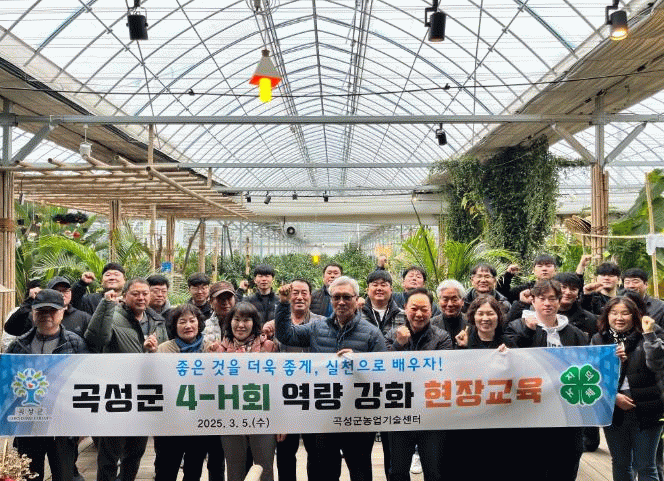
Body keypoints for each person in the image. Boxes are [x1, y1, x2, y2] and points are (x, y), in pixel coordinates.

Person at [275, 276, 386, 481]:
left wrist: (359, 361)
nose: (341, 302)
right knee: (324, 472)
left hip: (358, 418)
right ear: (331, 299)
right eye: (336, 297)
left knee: (360, 471)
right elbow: (286, 335)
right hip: (324, 415)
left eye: (346, 297)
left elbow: (384, 373)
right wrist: (283, 304)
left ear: (356, 299)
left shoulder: (372, 333)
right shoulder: (317, 328)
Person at [84, 278, 169, 481]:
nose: (141, 297)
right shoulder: (113, 316)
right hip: (117, 394)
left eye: (145, 293)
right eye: (135, 293)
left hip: (143, 395)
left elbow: (165, 355)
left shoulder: (156, 321)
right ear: (125, 296)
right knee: (109, 453)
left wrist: (153, 351)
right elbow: (96, 339)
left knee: (136, 451)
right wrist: (106, 305)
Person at [503, 279, 587, 480]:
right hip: (531, 410)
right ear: (533, 300)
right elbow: (508, 360)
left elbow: (587, 364)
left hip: (567, 411)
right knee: (532, 464)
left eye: (552, 298)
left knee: (568, 461)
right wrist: (527, 331)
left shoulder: (575, 333)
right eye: (542, 298)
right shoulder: (516, 327)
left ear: (560, 301)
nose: (547, 303)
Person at [8, 289, 88, 481]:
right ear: (33, 313)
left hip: (63, 427)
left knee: (64, 475)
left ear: (63, 311)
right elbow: (8, 382)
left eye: (52, 310)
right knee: (29, 475)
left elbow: (85, 381)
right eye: (40, 311)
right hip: (28, 424)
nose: (46, 315)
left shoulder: (75, 343)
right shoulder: (18, 345)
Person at [591, 296, 664, 481]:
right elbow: (592, 373)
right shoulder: (599, 339)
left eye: (625, 313)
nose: (619, 318)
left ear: (635, 315)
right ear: (606, 315)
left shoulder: (650, 333)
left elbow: (658, 363)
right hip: (614, 409)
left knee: (646, 465)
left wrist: (649, 334)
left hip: (648, 408)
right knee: (621, 463)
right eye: (614, 313)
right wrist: (613, 396)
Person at [148, 304, 221, 481]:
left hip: (199, 422)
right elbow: (151, 379)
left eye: (192, 321)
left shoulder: (211, 348)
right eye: (182, 322)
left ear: (199, 323)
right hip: (170, 422)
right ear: (174, 326)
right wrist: (151, 355)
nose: (188, 326)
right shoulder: (163, 349)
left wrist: (217, 356)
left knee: (194, 470)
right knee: (166, 470)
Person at [384, 288, 451, 481]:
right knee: (397, 471)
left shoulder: (442, 337)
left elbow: (443, 372)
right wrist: (399, 344)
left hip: (431, 414)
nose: (419, 314)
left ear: (432, 310)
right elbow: (383, 369)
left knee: (434, 471)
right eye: (414, 308)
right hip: (400, 412)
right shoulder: (392, 335)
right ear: (405, 308)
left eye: (424, 309)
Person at [210, 302, 277, 481]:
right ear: (229, 322)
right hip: (230, 417)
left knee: (264, 469)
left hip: (263, 417)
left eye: (246, 320)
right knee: (234, 470)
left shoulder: (269, 347)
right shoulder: (219, 349)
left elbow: (278, 385)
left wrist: (281, 421)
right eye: (236, 319)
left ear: (254, 323)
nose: (241, 325)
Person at [269, 279, 325, 481]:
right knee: (285, 453)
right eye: (295, 293)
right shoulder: (275, 325)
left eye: (304, 293)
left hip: (314, 398)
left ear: (310, 296)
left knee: (316, 454)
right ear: (288, 296)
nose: (300, 297)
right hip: (285, 399)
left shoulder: (322, 323)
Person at [452, 295, 508, 480]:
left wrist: (508, 358)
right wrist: (463, 348)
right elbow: (457, 377)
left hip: (500, 419)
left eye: (490, 313)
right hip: (471, 417)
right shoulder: (463, 343)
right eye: (480, 313)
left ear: (498, 316)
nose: (485, 318)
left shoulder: (508, 343)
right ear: (473, 317)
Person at [5, 276, 91, 339]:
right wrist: (29, 301)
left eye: (65, 291)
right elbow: (11, 329)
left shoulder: (83, 317)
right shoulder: (36, 316)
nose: (62, 294)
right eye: (57, 291)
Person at [430, 280, 466, 346]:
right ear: (438, 301)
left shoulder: (472, 323)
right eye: (445, 299)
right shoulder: (430, 325)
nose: (450, 304)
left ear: (462, 301)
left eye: (454, 300)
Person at [203, 281, 237, 346]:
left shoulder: (244, 323)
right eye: (220, 298)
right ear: (210, 301)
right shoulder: (204, 326)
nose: (225, 302)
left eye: (229, 298)